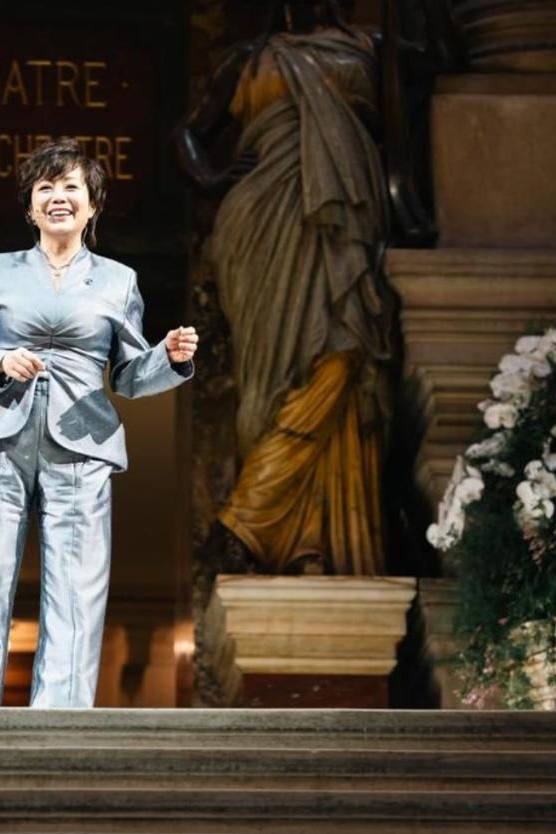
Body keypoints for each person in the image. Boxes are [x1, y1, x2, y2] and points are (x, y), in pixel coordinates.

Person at [0, 139, 197, 709]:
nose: (58, 197)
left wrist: (168, 358)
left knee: (78, 585)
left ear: (92, 204)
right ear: (30, 206)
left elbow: (128, 376)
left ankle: (61, 716)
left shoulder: (118, 281)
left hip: (82, 440)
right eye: (46, 187)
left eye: (71, 186)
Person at [174, 0, 395, 576]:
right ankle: (280, 538)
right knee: (270, 377)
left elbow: (432, 82)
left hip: (346, 220)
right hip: (263, 220)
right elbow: (190, 132)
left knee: (344, 351)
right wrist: (212, 179)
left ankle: (256, 522)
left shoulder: (371, 48)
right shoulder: (249, 58)